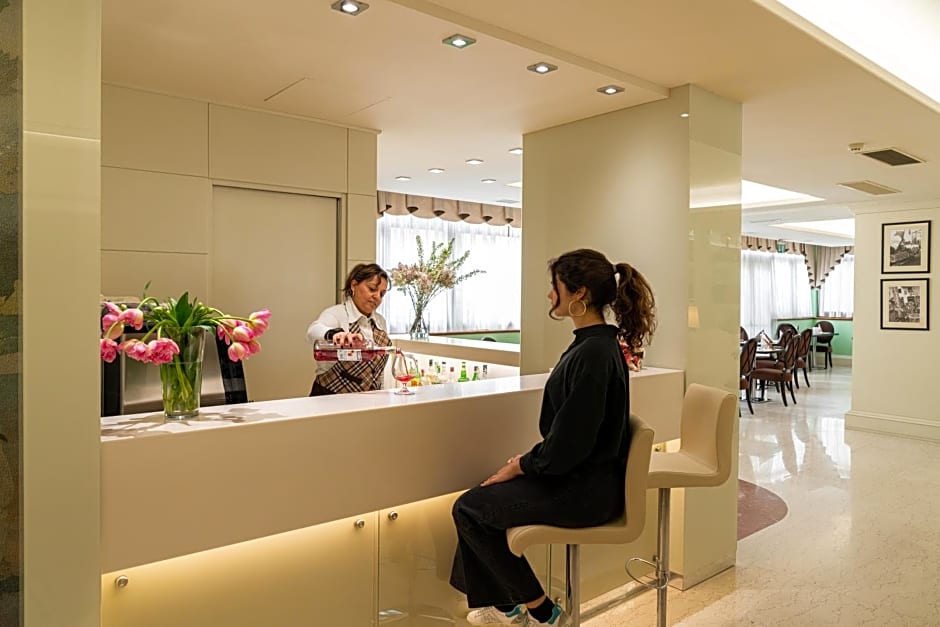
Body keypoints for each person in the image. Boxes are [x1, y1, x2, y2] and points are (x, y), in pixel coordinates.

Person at [450, 249, 657, 627]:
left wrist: (523, 465)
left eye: (555, 286)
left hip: (583, 493)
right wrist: (529, 463)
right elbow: (573, 435)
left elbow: (572, 442)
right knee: (478, 501)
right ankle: (507, 605)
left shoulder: (593, 353)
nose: (549, 295)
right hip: (581, 479)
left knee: (470, 509)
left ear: (579, 294)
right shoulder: (595, 344)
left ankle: (542, 612)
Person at [305, 263, 393, 396]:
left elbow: (378, 372)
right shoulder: (336, 314)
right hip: (330, 399)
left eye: (382, 294)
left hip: (367, 401)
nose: (377, 297)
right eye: (372, 289)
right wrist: (333, 334)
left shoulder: (380, 321)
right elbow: (312, 331)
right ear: (354, 285)